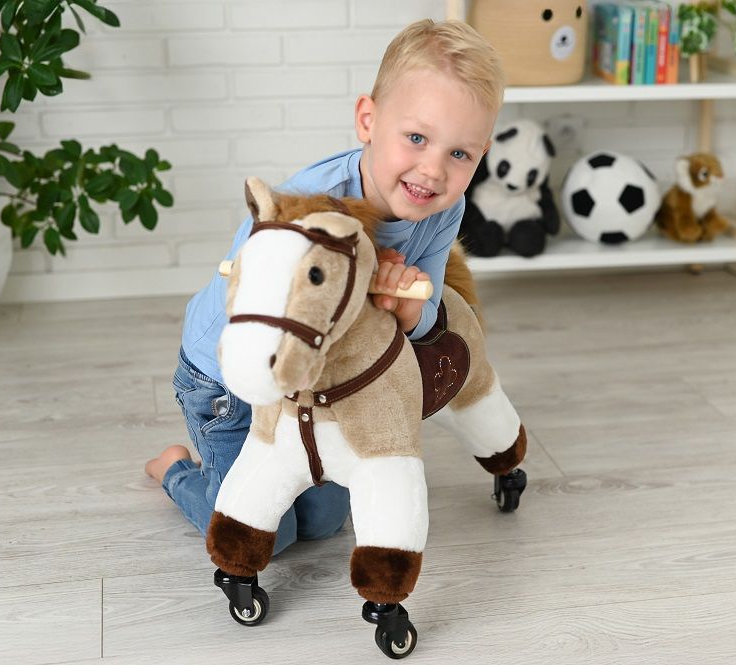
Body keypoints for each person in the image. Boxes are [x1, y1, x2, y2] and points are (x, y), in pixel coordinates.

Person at [145, 18, 504, 555]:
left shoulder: (441, 211)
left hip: (315, 380)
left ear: (481, 154)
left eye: (460, 154)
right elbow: (254, 312)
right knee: (267, 535)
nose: (433, 170)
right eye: (416, 138)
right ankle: (176, 471)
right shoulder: (308, 208)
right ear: (368, 120)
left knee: (323, 522)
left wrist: (408, 309)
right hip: (229, 379)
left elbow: (430, 308)